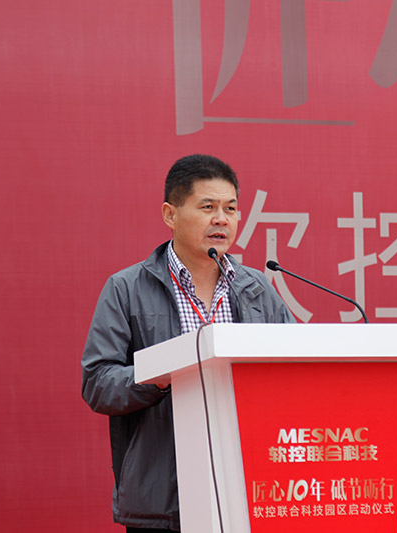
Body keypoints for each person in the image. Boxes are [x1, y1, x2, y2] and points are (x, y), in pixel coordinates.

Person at [81, 154, 295, 532]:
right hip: (164, 496)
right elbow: (98, 383)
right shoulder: (126, 289)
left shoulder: (257, 289)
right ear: (170, 214)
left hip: (249, 487)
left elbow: (294, 366)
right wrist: (160, 376)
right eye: (208, 207)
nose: (222, 219)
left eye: (231, 209)